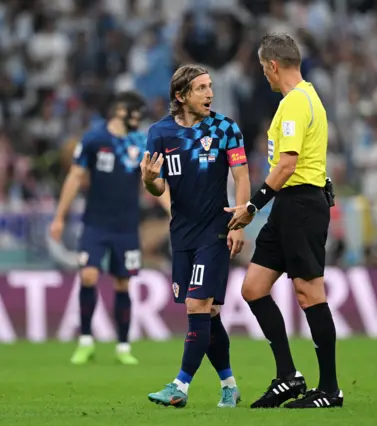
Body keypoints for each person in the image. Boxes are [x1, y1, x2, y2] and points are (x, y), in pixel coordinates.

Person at [225, 32, 342, 409]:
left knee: (309, 292)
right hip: (291, 204)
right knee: (254, 288)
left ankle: (329, 389)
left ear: (273, 65)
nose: (265, 77)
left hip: (301, 204)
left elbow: (288, 164)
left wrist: (252, 207)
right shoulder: (307, 97)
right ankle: (289, 376)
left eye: (264, 69)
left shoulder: (294, 103)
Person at [142, 64, 249, 409]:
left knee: (197, 304)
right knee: (209, 313)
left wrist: (242, 220)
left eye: (210, 86)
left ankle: (180, 387)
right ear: (181, 95)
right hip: (182, 233)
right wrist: (148, 180)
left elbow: (241, 176)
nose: (210, 94)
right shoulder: (159, 133)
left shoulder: (225, 128)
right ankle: (229, 386)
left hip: (215, 230)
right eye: (201, 88)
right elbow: (157, 185)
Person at [50, 91, 149, 366]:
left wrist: (173, 210)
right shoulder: (94, 139)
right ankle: (85, 341)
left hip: (127, 225)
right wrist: (59, 217)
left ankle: (123, 347)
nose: (138, 118)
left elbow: (154, 181)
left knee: (122, 283)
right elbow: (75, 176)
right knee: (89, 276)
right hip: (96, 223)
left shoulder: (141, 142)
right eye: (135, 112)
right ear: (120, 110)